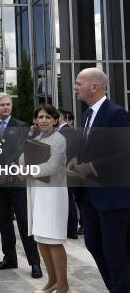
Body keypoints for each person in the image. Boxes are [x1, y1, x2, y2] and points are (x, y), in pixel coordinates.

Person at [68, 67, 130, 292]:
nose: (75, 87)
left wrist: (91, 167)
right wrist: (76, 162)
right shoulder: (86, 115)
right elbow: (88, 149)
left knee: (116, 253)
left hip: (112, 198)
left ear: (94, 86)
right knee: (94, 245)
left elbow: (125, 153)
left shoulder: (116, 114)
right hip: (89, 197)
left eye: (78, 83)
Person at [0, 92, 42, 278]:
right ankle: (9, 258)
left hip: (15, 181)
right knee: (3, 221)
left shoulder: (21, 126)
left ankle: (35, 263)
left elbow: (19, 151)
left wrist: (5, 170)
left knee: (25, 222)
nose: (6, 107)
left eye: (8, 104)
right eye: (2, 105)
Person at [19, 105, 69, 293]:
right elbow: (22, 161)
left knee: (53, 240)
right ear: (35, 120)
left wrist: (29, 170)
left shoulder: (59, 140)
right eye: (40, 117)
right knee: (41, 239)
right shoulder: (35, 139)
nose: (43, 120)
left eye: (48, 117)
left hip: (53, 194)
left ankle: (63, 286)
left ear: (55, 120)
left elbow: (53, 166)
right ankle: (52, 280)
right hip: (37, 193)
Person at [57, 109, 81, 239]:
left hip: (64, 170)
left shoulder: (62, 133)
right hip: (74, 170)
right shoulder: (74, 132)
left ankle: (70, 229)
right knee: (71, 200)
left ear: (61, 118)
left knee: (68, 201)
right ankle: (72, 229)